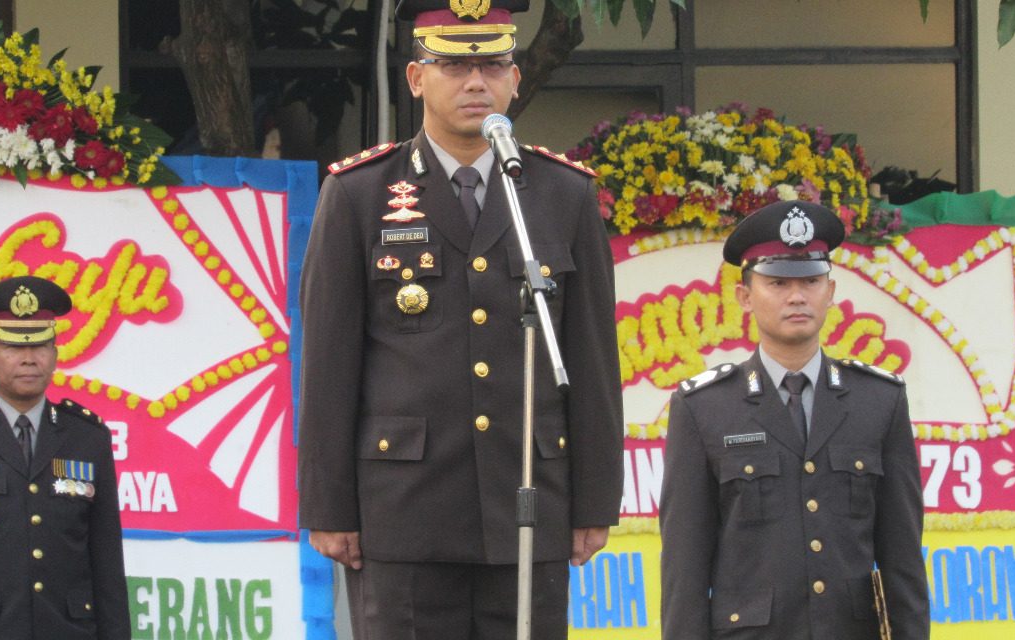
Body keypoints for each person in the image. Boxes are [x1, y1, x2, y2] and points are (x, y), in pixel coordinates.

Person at [296, 0, 624, 636]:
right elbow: (329, 363)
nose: (477, 82)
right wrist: (328, 506)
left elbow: (589, 359)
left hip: (528, 503)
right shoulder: (361, 193)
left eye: (494, 65)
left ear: (515, 78)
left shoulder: (562, 195)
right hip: (403, 511)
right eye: (453, 65)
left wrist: (594, 500)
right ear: (418, 78)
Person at [659, 200, 930, 639]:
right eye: (778, 282)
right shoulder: (704, 408)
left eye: (810, 281)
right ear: (745, 296)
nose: (797, 296)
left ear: (831, 290)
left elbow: (903, 557)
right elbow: (684, 568)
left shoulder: (879, 400)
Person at [0, 275, 129, 639]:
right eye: (13, 348)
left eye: (40, 347)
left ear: (56, 356)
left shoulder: (88, 438)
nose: (29, 359)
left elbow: (107, 564)